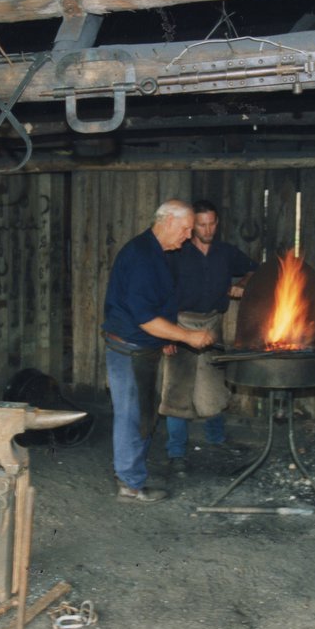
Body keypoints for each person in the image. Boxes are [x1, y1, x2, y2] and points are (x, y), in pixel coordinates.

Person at [102, 199, 215, 503]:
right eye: (186, 228)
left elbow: (155, 308)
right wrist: (187, 336)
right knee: (132, 416)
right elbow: (145, 318)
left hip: (143, 346)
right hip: (129, 349)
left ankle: (131, 475)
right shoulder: (141, 257)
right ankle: (129, 484)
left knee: (142, 414)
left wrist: (166, 337)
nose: (189, 235)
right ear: (166, 221)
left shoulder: (158, 252)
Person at [159, 200, 258, 475]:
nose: (208, 229)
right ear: (192, 226)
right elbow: (162, 291)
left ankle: (217, 439)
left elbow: (254, 269)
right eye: (202, 224)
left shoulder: (225, 253)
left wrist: (241, 283)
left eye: (212, 223)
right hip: (180, 324)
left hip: (212, 323)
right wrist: (166, 334)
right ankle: (176, 452)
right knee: (177, 390)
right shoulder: (176, 253)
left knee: (214, 385)